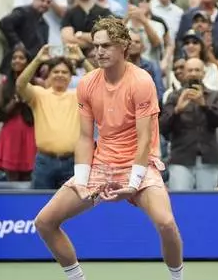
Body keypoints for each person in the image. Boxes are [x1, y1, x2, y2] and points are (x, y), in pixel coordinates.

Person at [33, 17, 184, 280]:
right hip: (101, 165)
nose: (99, 51)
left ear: (124, 46)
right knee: (44, 222)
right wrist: (81, 180)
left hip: (139, 164)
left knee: (167, 223)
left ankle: (177, 278)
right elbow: (83, 137)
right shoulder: (87, 83)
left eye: (107, 46)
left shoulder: (141, 81)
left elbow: (145, 139)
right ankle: (77, 278)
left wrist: (134, 183)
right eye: (96, 46)